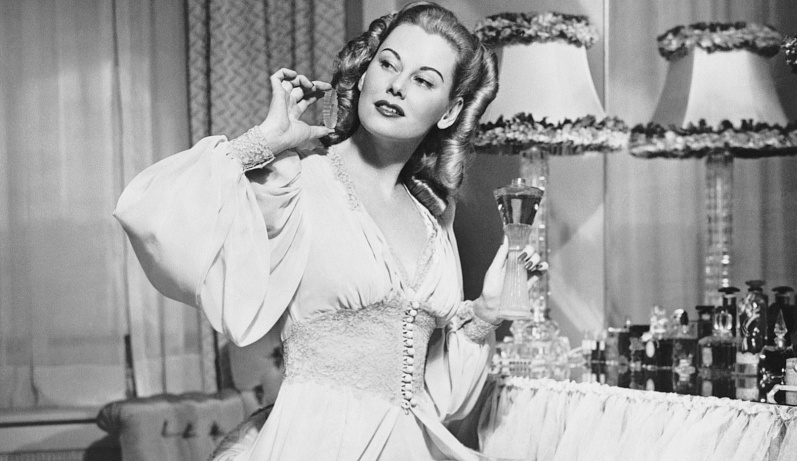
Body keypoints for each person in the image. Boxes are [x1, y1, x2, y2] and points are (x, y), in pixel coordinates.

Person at [114, 2, 544, 460]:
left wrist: (484, 314)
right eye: (388, 64)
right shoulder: (295, 180)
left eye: (423, 80)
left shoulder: (434, 216)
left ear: (449, 111)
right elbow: (150, 213)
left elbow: (439, 399)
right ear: (365, 73)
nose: (396, 86)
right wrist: (263, 142)